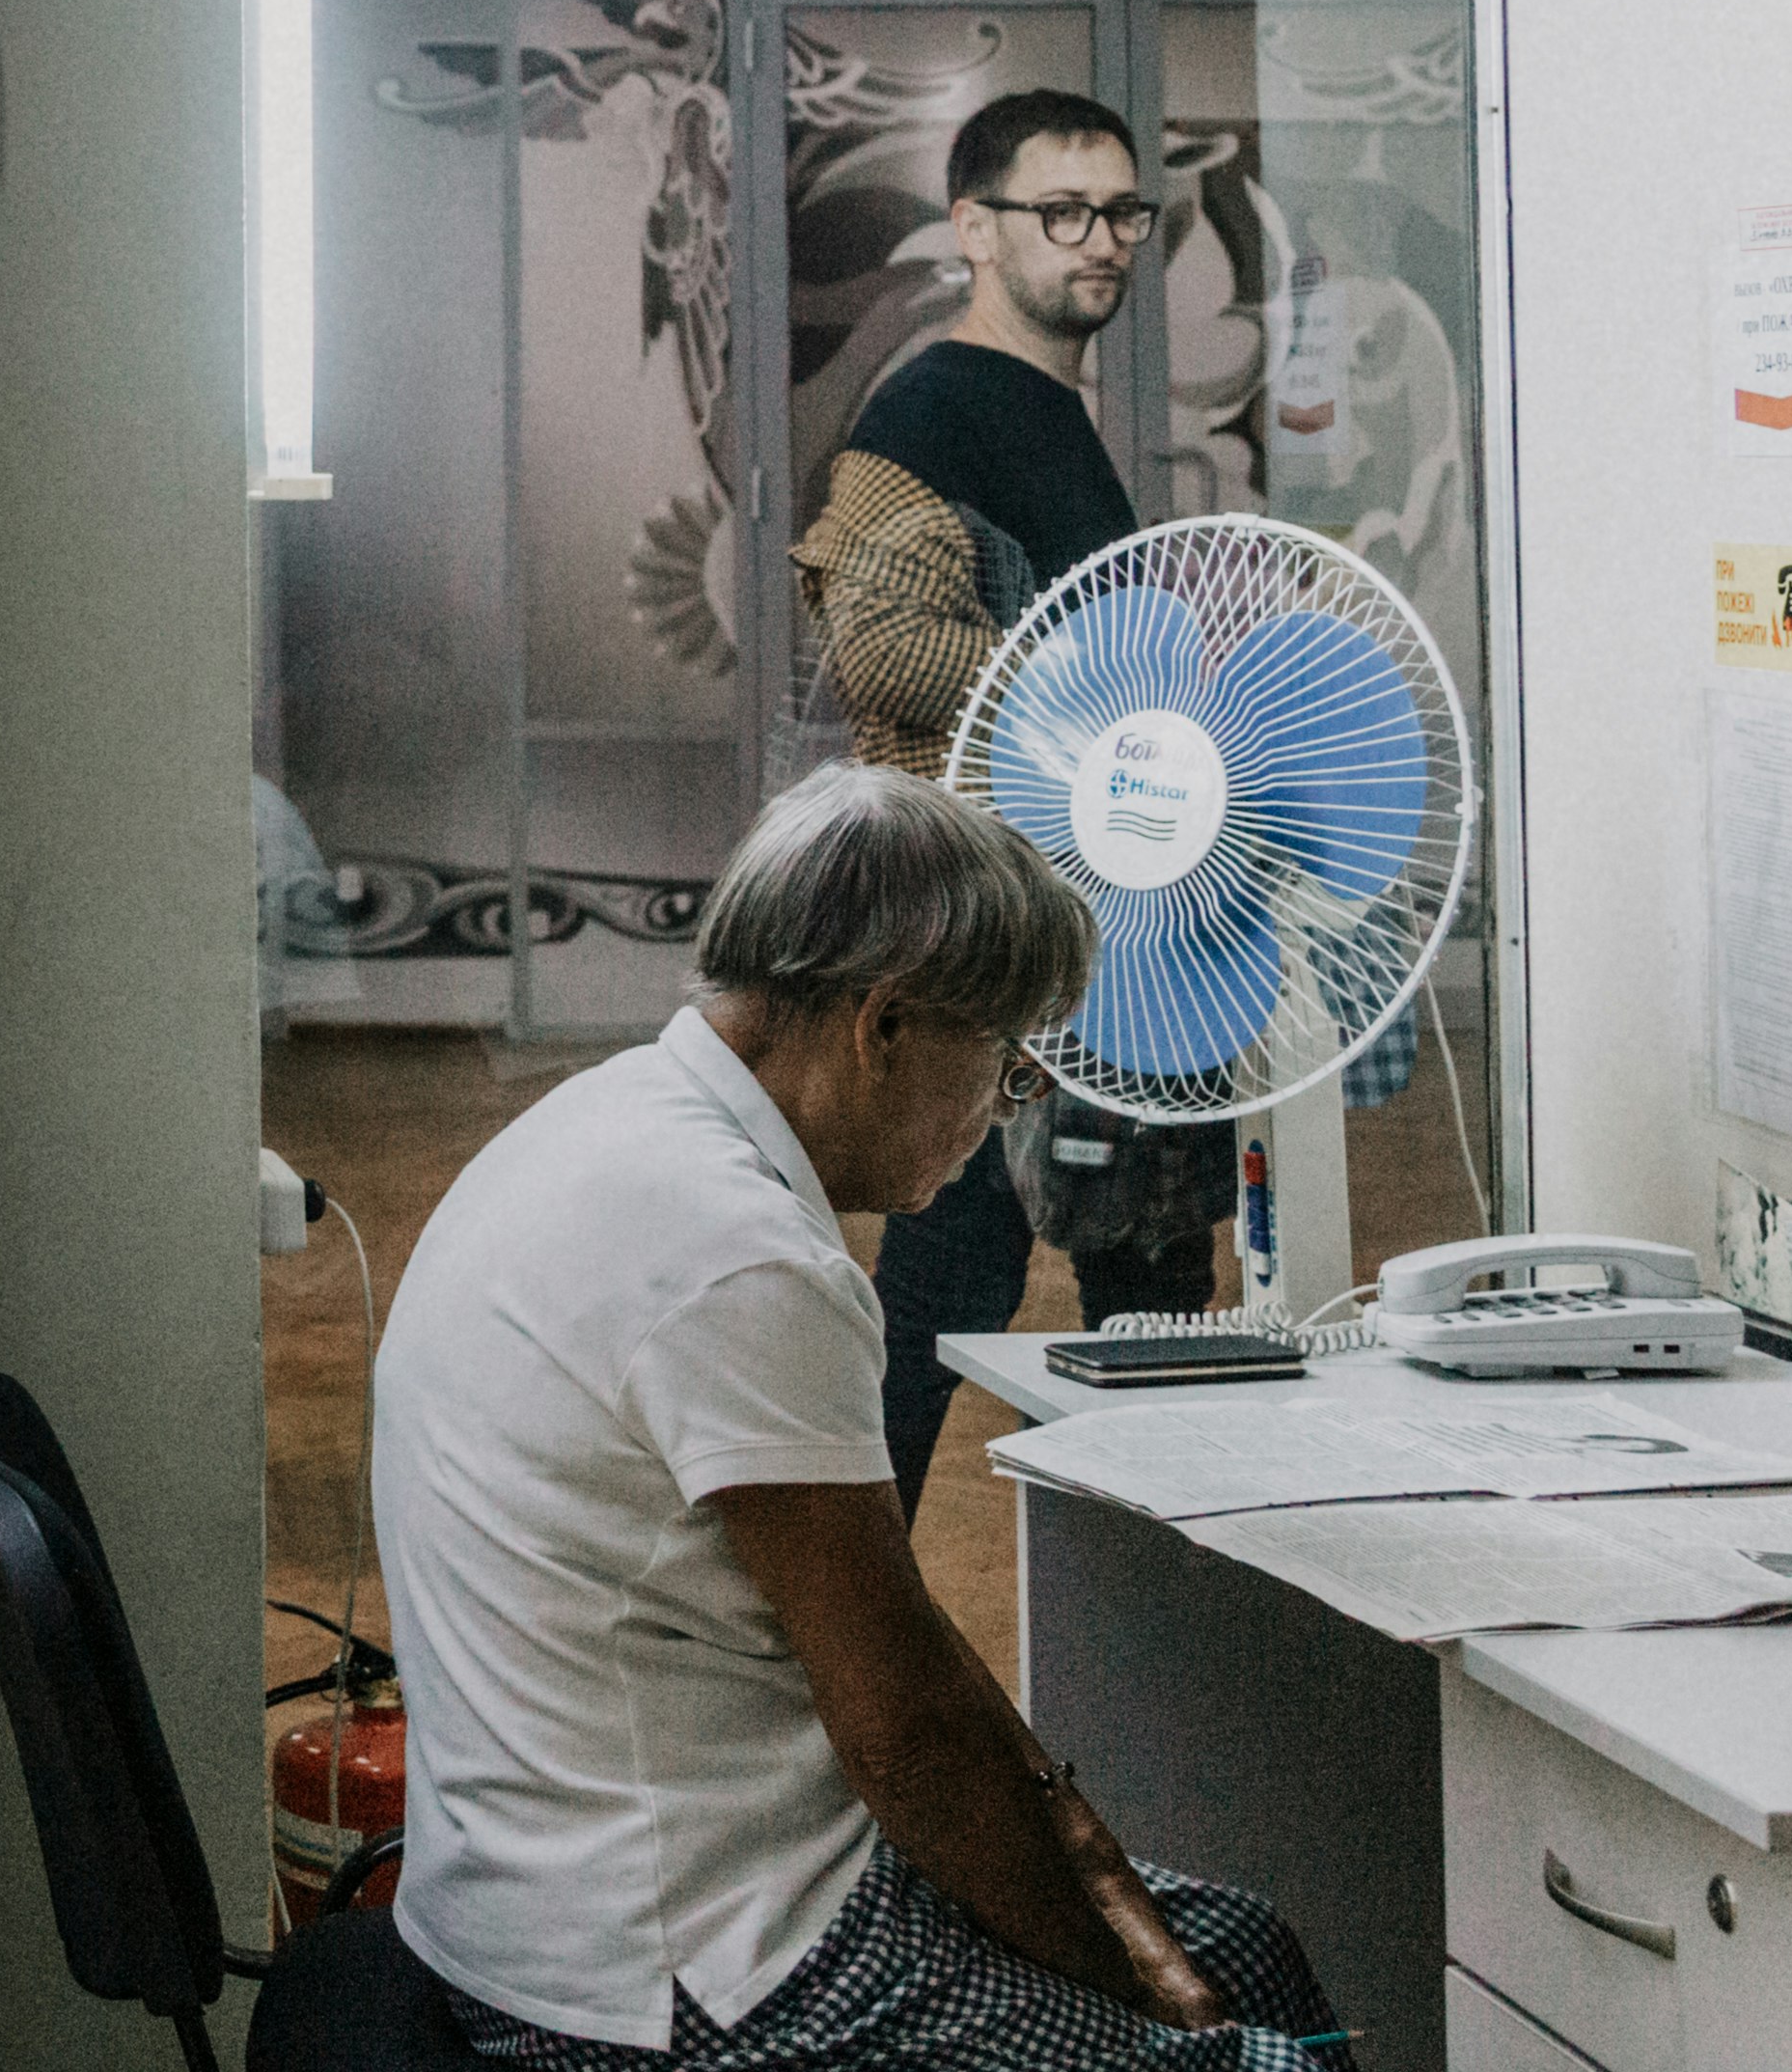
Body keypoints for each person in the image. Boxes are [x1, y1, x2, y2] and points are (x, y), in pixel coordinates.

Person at [368, 764, 1344, 2070]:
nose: (1003, 1111)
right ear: (886, 1026)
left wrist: (1105, 1886)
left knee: (1254, 1949)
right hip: (678, 1967)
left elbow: (902, 1652)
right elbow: (903, 1730)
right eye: (1001, 1065)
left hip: (551, 1889)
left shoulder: (599, 1129)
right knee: (1258, 2060)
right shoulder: (740, 1254)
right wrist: (1125, 1987)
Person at [786, 86, 1230, 1514]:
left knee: (1142, 1290)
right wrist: (1102, 679)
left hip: (1101, 935)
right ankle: (848, 1625)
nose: (1100, 243)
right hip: (983, 929)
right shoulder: (932, 407)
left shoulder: (1050, 409)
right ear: (974, 228)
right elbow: (885, 645)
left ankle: (1168, 1619)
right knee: (947, 1286)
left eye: (1122, 213)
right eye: (1063, 213)